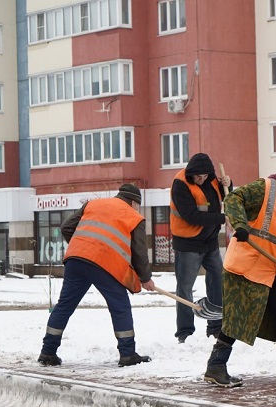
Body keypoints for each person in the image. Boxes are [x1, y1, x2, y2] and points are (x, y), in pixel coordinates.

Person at [204, 149, 276, 388]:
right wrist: (240, 225)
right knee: (238, 318)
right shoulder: (267, 188)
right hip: (249, 266)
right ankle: (215, 367)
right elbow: (233, 199)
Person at [37, 184, 156, 367]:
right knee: (120, 306)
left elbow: (66, 227)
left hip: (76, 260)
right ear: (133, 202)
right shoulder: (134, 216)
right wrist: (145, 277)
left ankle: (47, 352)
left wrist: (84, 246)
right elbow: (140, 252)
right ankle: (127, 354)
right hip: (104, 264)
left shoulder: (93, 204)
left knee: (64, 306)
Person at [170, 153, 231, 343]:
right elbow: (191, 216)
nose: (201, 180)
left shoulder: (212, 180)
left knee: (218, 282)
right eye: (198, 176)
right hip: (188, 244)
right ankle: (185, 332)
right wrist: (222, 219)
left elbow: (227, 196)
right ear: (191, 173)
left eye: (205, 176)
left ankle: (215, 326)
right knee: (185, 287)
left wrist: (229, 184)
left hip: (210, 242)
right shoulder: (181, 184)